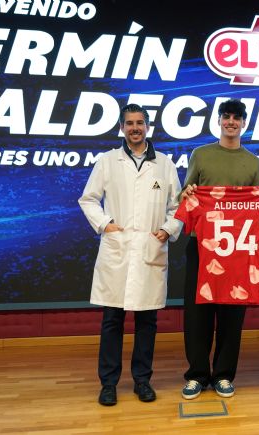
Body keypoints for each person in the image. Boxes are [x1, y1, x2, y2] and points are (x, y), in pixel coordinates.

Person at [78, 104, 182, 406]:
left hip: (149, 250)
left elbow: (177, 206)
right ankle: (108, 384)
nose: (135, 128)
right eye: (129, 123)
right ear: (122, 128)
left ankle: (142, 381)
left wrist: (167, 229)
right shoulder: (108, 161)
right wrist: (105, 224)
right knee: (112, 320)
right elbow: (88, 199)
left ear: (148, 127)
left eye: (139, 123)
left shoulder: (164, 164)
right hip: (118, 251)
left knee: (147, 321)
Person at [178, 98, 259, 400]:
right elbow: (184, 196)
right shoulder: (201, 155)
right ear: (219, 121)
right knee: (197, 314)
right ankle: (197, 375)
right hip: (202, 245)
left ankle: (224, 374)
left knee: (231, 314)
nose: (231, 122)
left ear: (243, 123)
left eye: (236, 118)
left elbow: (256, 206)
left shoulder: (253, 162)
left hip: (237, 248)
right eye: (226, 117)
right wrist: (187, 192)